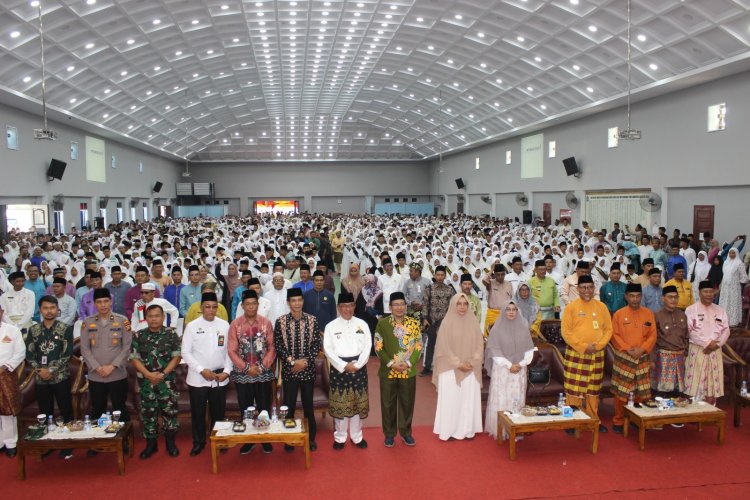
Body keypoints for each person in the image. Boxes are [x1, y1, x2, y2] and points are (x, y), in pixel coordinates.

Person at [79, 288, 132, 456]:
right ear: (94, 304)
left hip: (117, 374)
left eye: (105, 301)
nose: (103, 305)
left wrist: (112, 366)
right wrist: (97, 367)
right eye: (99, 302)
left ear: (111, 301)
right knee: (97, 409)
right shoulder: (87, 323)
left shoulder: (122, 321)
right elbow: (85, 349)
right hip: (96, 375)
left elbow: (127, 347)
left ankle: (123, 440)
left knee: (119, 409)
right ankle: (97, 442)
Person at [181, 292, 232, 456]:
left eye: (214, 307)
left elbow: (230, 351)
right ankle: (199, 442)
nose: (211, 310)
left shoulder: (224, 325)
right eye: (207, 307)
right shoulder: (192, 326)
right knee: (198, 413)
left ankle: (219, 440)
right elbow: (185, 352)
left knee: (219, 412)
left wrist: (227, 371)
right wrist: (201, 370)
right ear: (201, 308)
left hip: (219, 377)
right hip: (198, 377)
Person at [25, 296, 74, 459]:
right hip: (41, 379)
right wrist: (40, 370)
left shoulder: (65, 328)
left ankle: (68, 444)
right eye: (46, 308)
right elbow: (29, 354)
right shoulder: (34, 330)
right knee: (44, 412)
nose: (49, 311)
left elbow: (67, 354)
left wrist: (51, 370)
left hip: (60, 377)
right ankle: (48, 443)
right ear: (40, 310)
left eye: (52, 308)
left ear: (57, 309)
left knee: (66, 410)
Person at [228, 289, 276, 455]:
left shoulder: (266, 323)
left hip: (263, 373)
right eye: (247, 304)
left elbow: (272, 347)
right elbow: (231, 350)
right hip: (243, 374)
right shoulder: (235, 325)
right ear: (242, 306)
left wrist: (261, 367)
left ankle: (264, 438)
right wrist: (247, 368)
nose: (250, 307)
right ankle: (248, 439)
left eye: (253, 303)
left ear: (258, 304)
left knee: (264, 407)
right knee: (246, 408)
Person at [560, 275, 611, 432]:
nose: (587, 290)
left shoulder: (601, 307)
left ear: (594, 288)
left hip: (597, 353)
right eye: (583, 287)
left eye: (590, 287)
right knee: (573, 389)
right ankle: (571, 422)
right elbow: (566, 333)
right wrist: (583, 347)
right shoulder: (571, 307)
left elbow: (608, 329)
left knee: (593, 389)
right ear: (577, 289)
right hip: (576, 353)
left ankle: (593, 420)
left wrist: (599, 345)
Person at [130, 305, 182, 459]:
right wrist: (148, 374)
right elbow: (134, 358)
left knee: (170, 413)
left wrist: (163, 374)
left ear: (163, 317)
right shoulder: (138, 335)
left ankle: (170, 444)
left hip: (167, 382)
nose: (154, 319)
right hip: (147, 383)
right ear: (146, 318)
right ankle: (151, 445)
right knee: (148, 414)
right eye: (150, 316)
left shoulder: (171, 334)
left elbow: (177, 357)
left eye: (157, 316)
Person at [274, 287, 321, 452]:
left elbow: (316, 344)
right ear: (288, 303)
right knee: (289, 406)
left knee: (308, 406)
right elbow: (279, 345)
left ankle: (310, 438)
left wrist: (305, 362)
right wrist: (293, 362)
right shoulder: (280, 321)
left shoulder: (312, 320)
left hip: (307, 370)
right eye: (293, 301)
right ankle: (289, 439)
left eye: (299, 300)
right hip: (290, 371)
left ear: (303, 301)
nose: (297, 303)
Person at [432, 293, 484, 441]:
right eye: (459, 304)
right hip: (450, 368)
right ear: (453, 305)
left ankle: (467, 430)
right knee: (451, 401)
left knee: (467, 399)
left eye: (465, 304)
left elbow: (480, 345)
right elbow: (444, 348)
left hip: (470, 368)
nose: (462, 307)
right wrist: (458, 364)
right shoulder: (446, 323)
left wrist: (472, 362)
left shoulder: (473, 322)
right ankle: (449, 430)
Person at [323, 292, 372, 450]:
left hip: (359, 367)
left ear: (354, 306)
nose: (347, 309)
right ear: (338, 307)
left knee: (357, 404)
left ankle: (357, 436)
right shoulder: (331, 326)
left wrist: (358, 364)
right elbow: (328, 349)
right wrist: (344, 365)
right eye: (344, 306)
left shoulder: (362, 324)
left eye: (350, 306)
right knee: (341, 404)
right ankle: (340, 436)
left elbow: (368, 346)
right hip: (339, 369)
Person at [375, 292, 422, 447]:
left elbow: (418, 345)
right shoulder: (383, 324)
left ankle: (406, 433)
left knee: (407, 403)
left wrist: (409, 363)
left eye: (402, 304)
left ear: (406, 306)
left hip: (408, 370)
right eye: (396, 304)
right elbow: (378, 346)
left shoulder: (414, 323)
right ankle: (389, 434)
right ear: (390, 307)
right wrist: (391, 363)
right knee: (387, 404)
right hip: (388, 370)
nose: (399, 307)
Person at [484, 301, 535, 440]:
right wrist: (509, 365)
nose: (511, 312)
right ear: (503, 311)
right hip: (502, 370)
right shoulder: (497, 329)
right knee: (502, 398)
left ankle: (516, 429)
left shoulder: (523, 328)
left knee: (516, 399)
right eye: (508, 309)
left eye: (514, 309)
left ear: (518, 311)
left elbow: (529, 350)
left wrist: (520, 364)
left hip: (519, 370)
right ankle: (501, 429)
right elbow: (494, 351)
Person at [610, 283, 657, 433]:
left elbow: (653, 335)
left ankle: (637, 418)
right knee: (621, 391)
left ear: (641, 296)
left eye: (637, 296)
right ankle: (618, 420)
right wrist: (627, 349)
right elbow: (614, 335)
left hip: (642, 356)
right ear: (626, 297)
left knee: (641, 391)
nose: (635, 299)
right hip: (624, 357)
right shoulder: (619, 314)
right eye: (632, 296)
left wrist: (642, 349)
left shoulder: (648, 313)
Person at [684, 281, 730, 405]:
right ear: (699, 292)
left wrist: (716, 345)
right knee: (696, 379)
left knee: (712, 380)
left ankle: (711, 408)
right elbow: (689, 331)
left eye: (711, 292)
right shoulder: (691, 310)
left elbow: (726, 330)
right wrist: (707, 344)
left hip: (715, 350)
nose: (709, 294)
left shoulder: (720, 310)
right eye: (705, 291)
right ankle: (694, 410)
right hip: (697, 349)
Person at [653, 285, 689, 398]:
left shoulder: (682, 315)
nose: (673, 300)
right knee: (661, 393)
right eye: (670, 297)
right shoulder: (656, 315)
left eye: (675, 297)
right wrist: (652, 359)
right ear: (663, 298)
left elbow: (686, 336)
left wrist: (685, 353)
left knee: (678, 393)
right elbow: (653, 339)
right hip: (663, 357)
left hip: (680, 357)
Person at [420, 265, 455, 377]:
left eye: (442, 275)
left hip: (444, 322)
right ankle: (427, 367)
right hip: (431, 321)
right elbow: (425, 305)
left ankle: (444, 367)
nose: (440, 277)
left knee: (445, 345)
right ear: (434, 275)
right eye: (438, 275)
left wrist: (448, 321)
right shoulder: (429, 289)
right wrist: (425, 319)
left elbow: (452, 307)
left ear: (445, 276)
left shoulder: (449, 290)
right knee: (430, 344)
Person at [0, 304, 25, 458]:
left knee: (7, 411)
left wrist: (4, 367)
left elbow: (20, 353)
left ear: (2, 312)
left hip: (6, 374)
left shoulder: (12, 330)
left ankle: (10, 443)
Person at [719, 247, 748, 326]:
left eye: (733, 253)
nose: (731, 254)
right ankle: (723, 320)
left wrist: (737, 281)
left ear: (737, 253)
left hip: (734, 288)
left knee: (732, 303)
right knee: (725, 302)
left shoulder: (739, 263)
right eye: (730, 253)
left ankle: (733, 321)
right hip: (725, 287)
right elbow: (724, 275)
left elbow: (744, 277)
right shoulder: (726, 262)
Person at [482, 264, 513, 338]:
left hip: (505, 314)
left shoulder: (509, 284)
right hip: (492, 314)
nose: (500, 276)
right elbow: (484, 280)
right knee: (490, 338)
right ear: (495, 274)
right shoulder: (490, 283)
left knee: (505, 338)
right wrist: (492, 269)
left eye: (502, 274)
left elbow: (511, 300)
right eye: (498, 274)